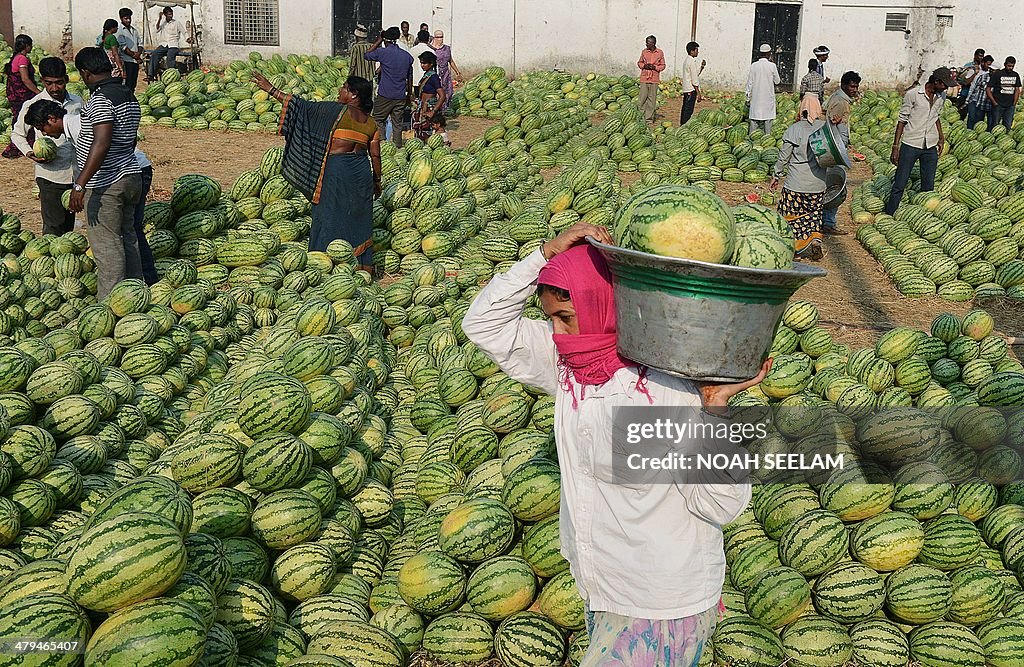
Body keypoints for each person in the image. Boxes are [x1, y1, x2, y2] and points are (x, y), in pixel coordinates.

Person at [461, 223, 765, 667]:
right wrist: (544, 256)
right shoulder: (569, 368)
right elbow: (483, 324)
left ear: (603, 302)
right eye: (550, 319)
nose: (558, 333)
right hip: (602, 587)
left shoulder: (662, 390)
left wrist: (714, 411)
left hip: (659, 603)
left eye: (566, 317)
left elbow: (719, 506)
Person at [252, 72, 381, 269]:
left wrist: (271, 90)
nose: (340, 90)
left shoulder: (335, 111)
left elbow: (302, 107)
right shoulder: (372, 123)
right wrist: (376, 181)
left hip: (337, 171)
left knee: (328, 214)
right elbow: (375, 156)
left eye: (344, 88)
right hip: (361, 173)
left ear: (353, 95)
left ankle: (323, 262)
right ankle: (359, 266)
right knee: (357, 217)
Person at [67, 47, 143, 298]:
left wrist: (80, 184)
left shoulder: (101, 100)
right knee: (128, 238)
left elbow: (102, 142)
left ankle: (110, 306)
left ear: (85, 73)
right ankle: (135, 297)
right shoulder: (127, 95)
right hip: (131, 176)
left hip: (107, 183)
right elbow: (130, 139)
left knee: (107, 246)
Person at [13, 58, 82, 236]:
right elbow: (17, 134)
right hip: (51, 176)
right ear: (42, 81)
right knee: (53, 227)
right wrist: (30, 153)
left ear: (66, 79)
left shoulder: (77, 102)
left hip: (75, 175)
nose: (54, 88)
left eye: (59, 83)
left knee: (68, 227)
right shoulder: (33, 104)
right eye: (49, 83)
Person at [883, 67, 954, 216]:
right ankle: (890, 213)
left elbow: (936, 117)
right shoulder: (913, 95)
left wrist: (941, 137)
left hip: (930, 145)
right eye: (944, 84)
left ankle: (923, 216)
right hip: (911, 144)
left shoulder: (941, 97)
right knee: (900, 182)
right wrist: (895, 146)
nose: (946, 88)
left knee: (928, 184)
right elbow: (902, 121)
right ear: (936, 82)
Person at [771, 114, 829, 260]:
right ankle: (815, 242)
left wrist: (776, 174)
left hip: (795, 185)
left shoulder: (794, 129)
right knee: (814, 216)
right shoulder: (824, 128)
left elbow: (784, 156)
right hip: (817, 185)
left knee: (790, 217)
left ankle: (794, 251)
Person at [821, 71, 860, 236]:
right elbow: (829, 124)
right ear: (844, 85)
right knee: (836, 188)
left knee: (829, 185)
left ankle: (824, 221)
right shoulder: (840, 102)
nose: (855, 89)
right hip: (835, 149)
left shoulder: (838, 97)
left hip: (837, 146)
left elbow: (824, 111)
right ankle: (828, 223)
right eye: (852, 86)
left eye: (856, 86)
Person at [365, 27, 414, 148]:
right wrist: (409, 95)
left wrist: (378, 40)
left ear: (385, 40)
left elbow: (367, 54)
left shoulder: (383, 52)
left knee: (378, 119)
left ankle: (382, 143)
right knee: (397, 124)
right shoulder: (407, 56)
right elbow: (410, 77)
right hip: (400, 95)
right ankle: (397, 146)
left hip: (385, 94)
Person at [3, 34, 40, 159]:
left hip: (14, 93)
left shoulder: (16, 57)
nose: (31, 47)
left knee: (18, 117)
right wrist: (38, 92)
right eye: (30, 44)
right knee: (25, 117)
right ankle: (21, 145)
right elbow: (25, 79)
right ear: (26, 46)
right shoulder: (22, 59)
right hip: (21, 94)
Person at [746, 44, 781, 135]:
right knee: (768, 121)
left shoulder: (754, 65)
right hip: (767, 99)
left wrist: (747, 98)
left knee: (754, 121)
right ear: (769, 53)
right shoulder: (772, 66)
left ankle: (751, 140)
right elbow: (777, 81)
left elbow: (749, 83)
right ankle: (767, 140)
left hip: (756, 99)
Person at [413, 51, 446, 142]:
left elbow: (442, 96)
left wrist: (433, 111)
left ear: (431, 64)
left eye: (424, 63)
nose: (422, 65)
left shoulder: (433, 77)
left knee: (430, 135)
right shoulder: (426, 75)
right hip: (423, 107)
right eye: (421, 63)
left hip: (429, 108)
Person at [148, 7, 186, 81]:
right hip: (164, 44)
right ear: (165, 15)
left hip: (174, 44)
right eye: (169, 14)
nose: (170, 16)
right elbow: (157, 29)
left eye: (171, 14)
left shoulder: (176, 23)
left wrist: (188, 38)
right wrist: (159, 18)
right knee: (155, 54)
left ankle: (172, 76)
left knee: (170, 57)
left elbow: (184, 32)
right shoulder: (163, 23)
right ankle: (151, 75)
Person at [430, 30, 462, 113]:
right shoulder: (432, 49)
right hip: (436, 73)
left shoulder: (447, 48)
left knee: (449, 91)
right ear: (434, 37)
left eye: (441, 37)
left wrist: (457, 72)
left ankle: (445, 108)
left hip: (446, 73)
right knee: (438, 92)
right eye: (438, 37)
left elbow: (450, 60)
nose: (440, 39)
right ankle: (438, 109)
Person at [986, 56, 1020, 131]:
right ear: (1005, 64)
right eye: (1009, 66)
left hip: (1010, 106)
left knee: (1007, 125)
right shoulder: (997, 74)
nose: (1010, 68)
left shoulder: (1015, 75)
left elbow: (1017, 89)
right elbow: (988, 89)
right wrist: (994, 102)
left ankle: (1005, 140)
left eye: (1012, 66)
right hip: (998, 105)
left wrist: (1014, 103)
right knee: (995, 125)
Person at [636, 35, 666, 124]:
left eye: (649, 43)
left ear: (653, 43)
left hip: (654, 78)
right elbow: (639, 62)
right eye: (646, 42)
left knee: (651, 100)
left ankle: (648, 119)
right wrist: (644, 66)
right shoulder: (644, 52)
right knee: (642, 99)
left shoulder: (659, 53)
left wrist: (655, 67)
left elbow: (663, 65)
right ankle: (641, 117)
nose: (647, 44)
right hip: (644, 78)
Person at [117, 7, 143, 90]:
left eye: (129, 18)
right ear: (121, 18)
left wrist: (138, 53)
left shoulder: (134, 30)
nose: (128, 20)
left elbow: (140, 43)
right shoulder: (119, 31)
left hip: (135, 61)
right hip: (126, 61)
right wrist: (136, 56)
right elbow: (123, 48)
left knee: (133, 84)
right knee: (127, 83)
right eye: (126, 18)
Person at [965, 55, 995, 129]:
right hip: (974, 99)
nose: (989, 67)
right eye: (988, 64)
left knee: (980, 122)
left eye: (990, 65)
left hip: (983, 101)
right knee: (972, 118)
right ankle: (969, 132)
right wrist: (967, 100)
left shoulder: (990, 74)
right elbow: (972, 87)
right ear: (982, 63)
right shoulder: (977, 72)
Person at [680, 41, 704, 125]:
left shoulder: (687, 60)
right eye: (696, 50)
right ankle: (684, 126)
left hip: (686, 89)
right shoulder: (691, 62)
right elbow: (694, 80)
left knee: (685, 109)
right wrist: (699, 93)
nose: (698, 52)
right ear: (692, 51)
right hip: (690, 89)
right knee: (688, 110)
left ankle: (682, 125)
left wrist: (702, 67)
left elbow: (695, 74)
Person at [957, 48, 986, 118]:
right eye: (980, 56)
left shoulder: (983, 68)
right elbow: (963, 80)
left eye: (982, 56)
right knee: (961, 114)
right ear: (975, 56)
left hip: (975, 96)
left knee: (972, 116)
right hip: (965, 93)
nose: (981, 58)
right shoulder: (968, 66)